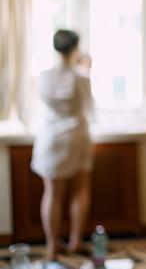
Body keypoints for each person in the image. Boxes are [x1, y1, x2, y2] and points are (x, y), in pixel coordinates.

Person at [31, 29, 95, 260]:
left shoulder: (43, 75)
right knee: (80, 189)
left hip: (50, 137)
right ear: (75, 48)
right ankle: (75, 241)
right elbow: (90, 108)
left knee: (52, 192)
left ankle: (52, 247)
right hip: (75, 136)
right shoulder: (81, 77)